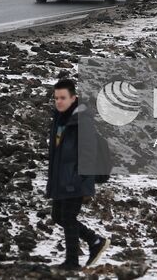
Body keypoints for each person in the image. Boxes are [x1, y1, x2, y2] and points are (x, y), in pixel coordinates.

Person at [45, 78, 108, 270]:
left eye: (63, 98)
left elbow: (88, 153)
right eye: (56, 98)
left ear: (74, 98)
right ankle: (94, 240)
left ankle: (72, 262)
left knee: (69, 217)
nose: (59, 102)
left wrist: (80, 180)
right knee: (58, 216)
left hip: (75, 179)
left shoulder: (82, 120)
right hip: (61, 179)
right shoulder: (60, 118)